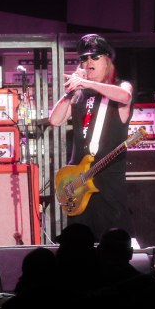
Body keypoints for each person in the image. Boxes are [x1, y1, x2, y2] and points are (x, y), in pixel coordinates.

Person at [50, 34, 136, 241]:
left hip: (108, 179)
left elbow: (125, 96)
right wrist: (71, 90)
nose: (88, 62)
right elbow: (55, 120)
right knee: (80, 242)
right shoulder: (80, 93)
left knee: (113, 238)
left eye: (94, 57)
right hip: (79, 180)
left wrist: (90, 84)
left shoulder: (121, 85)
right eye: (84, 58)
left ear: (108, 59)